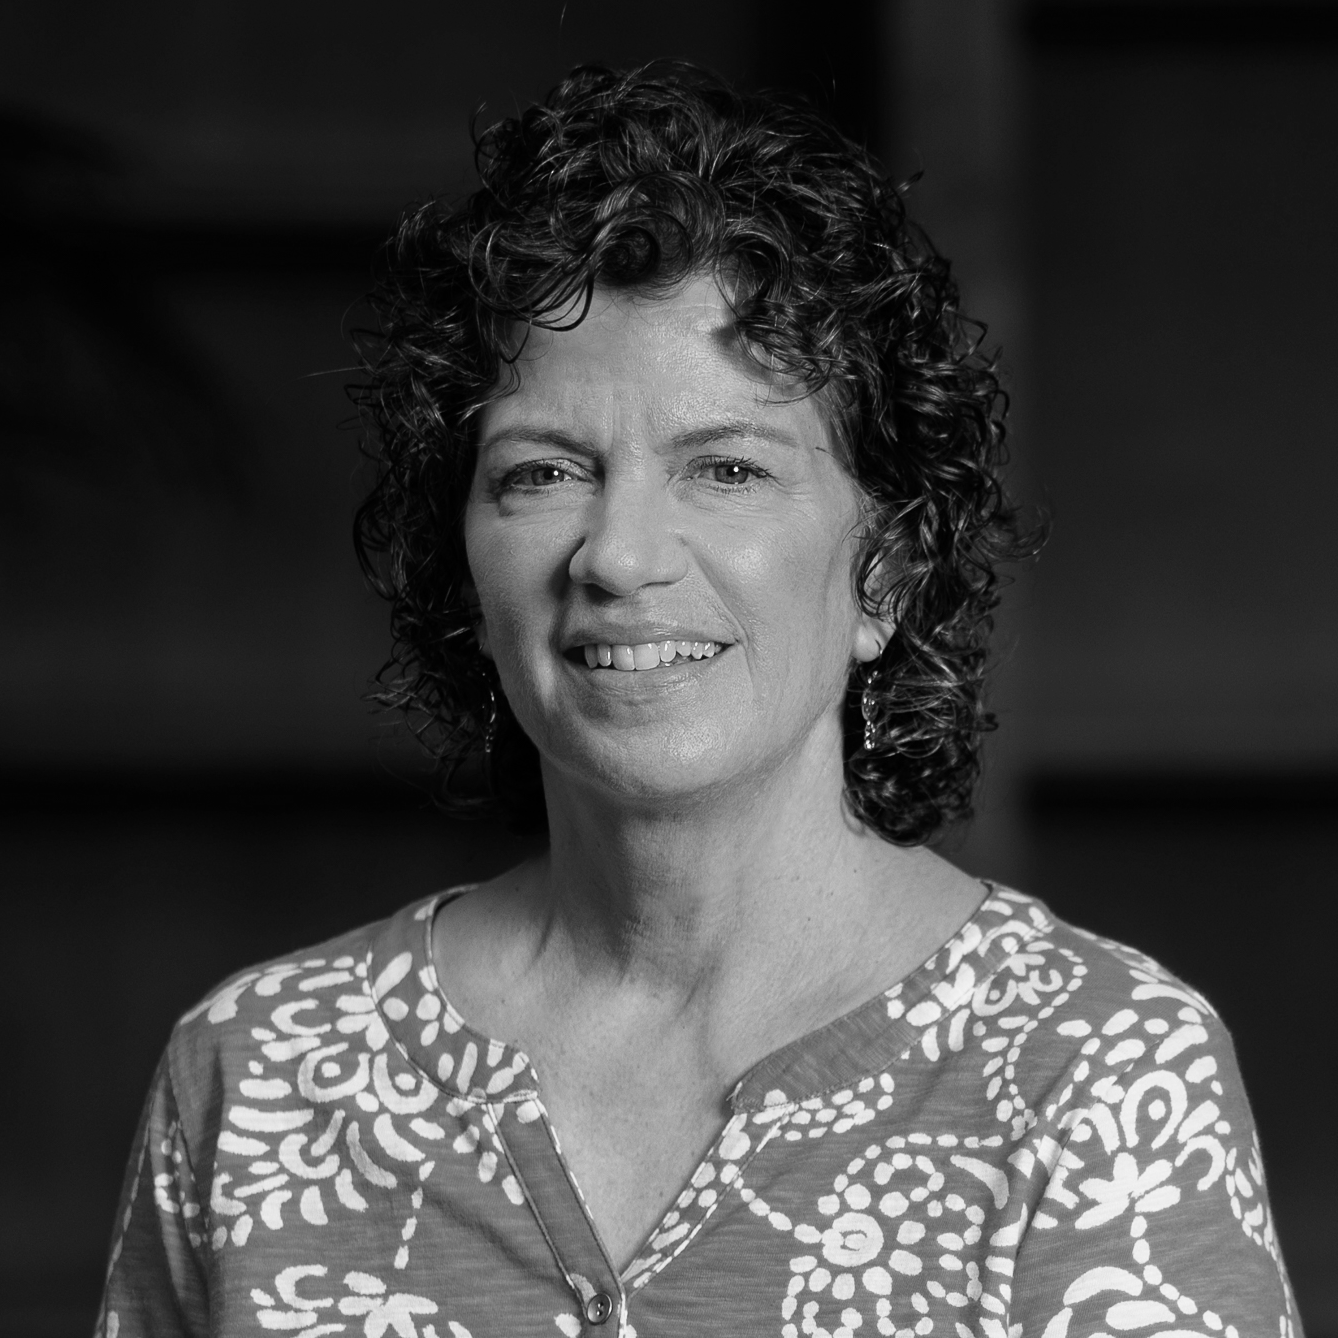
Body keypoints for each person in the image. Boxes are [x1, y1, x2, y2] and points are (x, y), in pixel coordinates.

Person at [97, 63, 1298, 1338]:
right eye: (543, 472)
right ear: (464, 560)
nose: (618, 555)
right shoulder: (256, 1071)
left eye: (726, 467)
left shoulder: (1095, 1071)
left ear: (886, 570)